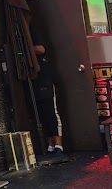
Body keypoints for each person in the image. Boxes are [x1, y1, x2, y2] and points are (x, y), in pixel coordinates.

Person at [30, 26, 68, 163]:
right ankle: (50, 145)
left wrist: (27, 49)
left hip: (45, 78)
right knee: (41, 113)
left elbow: (41, 49)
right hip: (34, 79)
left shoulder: (33, 31)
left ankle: (59, 146)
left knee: (51, 112)